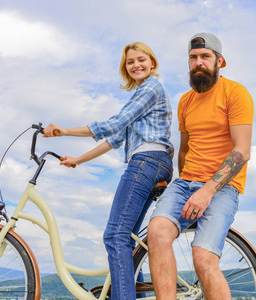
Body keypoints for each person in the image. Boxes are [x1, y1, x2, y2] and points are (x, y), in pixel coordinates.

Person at [43, 42, 174, 300]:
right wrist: (79, 160)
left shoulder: (151, 87)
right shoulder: (141, 96)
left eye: (141, 60)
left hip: (146, 161)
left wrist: (66, 130)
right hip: (155, 162)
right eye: (130, 62)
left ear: (152, 63)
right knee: (128, 239)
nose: (136, 65)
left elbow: (115, 124)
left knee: (115, 236)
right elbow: (114, 139)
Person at [147, 33, 254, 299]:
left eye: (205, 56)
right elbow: (184, 148)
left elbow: (242, 151)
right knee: (157, 233)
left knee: (203, 257)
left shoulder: (235, 93)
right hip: (185, 183)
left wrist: (206, 191)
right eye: (193, 57)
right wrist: (179, 182)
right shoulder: (185, 101)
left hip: (222, 187)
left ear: (220, 61)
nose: (198, 62)